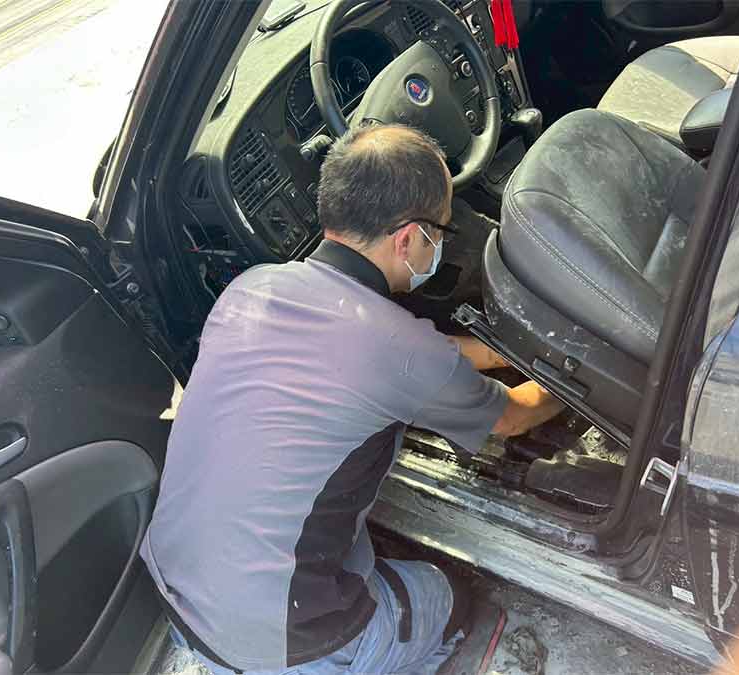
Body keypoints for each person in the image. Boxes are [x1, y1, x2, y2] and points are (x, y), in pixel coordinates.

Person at [140, 124, 564, 675]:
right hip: (291, 646)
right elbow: (514, 416)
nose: (444, 241)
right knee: (452, 599)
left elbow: (419, 352)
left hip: (177, 603)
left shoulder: (253, 287)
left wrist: (500, 350)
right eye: (442, 228)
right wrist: (569, 370)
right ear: (408, 239)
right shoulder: (400, 350)